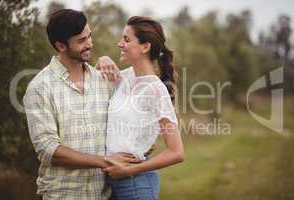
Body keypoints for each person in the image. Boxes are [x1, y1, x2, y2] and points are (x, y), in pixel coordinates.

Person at [23, 9, 135, 200]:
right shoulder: (40, 88)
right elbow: (49, 150)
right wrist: (105, 161)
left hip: (104, 195)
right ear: (60, 46)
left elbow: (128, 119)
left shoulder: (102, 81)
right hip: (63, 195)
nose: (90, 43)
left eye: (89, 36)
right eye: (81, 41)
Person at [101, 16, 184, 200]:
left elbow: (176, 152)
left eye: (126, 39)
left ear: (145, 47)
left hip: (136, 184)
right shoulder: (125, 77)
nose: (119, 43)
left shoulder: (155, 90)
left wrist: (130, 170)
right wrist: (103, 59)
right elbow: (93, 81)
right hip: (110, 182)